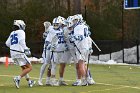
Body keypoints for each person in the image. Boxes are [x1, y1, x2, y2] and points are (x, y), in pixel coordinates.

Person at [5, 20, 35, 89]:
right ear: (20, 25)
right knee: (30, 67)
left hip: (13, 53)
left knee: (24, 68)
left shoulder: (12, 33)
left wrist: (14, 46)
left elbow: (7, 43)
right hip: (19, 52)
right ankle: (17, 78)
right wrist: (26, 49)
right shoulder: (21, 32)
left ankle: (29, 81)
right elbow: (22, 41)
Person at [38, 21, 52, 86]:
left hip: (53, 49)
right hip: (47, 48)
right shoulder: (50, 29)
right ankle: (40, 79)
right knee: (46, 63)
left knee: (51, 65)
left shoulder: (52, 29)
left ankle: (48, 80)